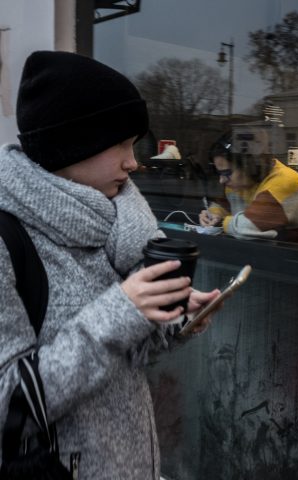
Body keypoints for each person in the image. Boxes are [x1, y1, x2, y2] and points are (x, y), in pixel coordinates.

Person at [0, 50, 220, 479]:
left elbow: (123, 355)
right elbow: (9, 405)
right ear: (70, 144)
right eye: (119, 144)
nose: (133, 161)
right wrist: (121, 312)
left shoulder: (113, 222)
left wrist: (172, 320)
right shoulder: (8, 240)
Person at [199, 130, 298, 245]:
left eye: (227, 173)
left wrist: (219, 222)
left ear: (248, 166)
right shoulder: (239, 183)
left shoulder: (285, 181)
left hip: (292, 254)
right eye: (220, 173)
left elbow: (247, 227)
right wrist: (212, 215)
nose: (222, 180)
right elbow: (222, 207)